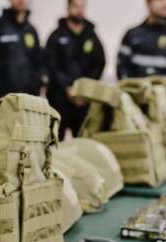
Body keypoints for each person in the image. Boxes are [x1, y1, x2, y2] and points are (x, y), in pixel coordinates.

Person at [45, 0, 105, 140]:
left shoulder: (92, 37)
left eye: (82, 7)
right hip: (59, 100)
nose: (79, 10)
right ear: (68, 8)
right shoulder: (56, 36)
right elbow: (51, 65)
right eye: (76, 6)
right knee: (55, 142)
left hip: (83, 102)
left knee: (83, 142)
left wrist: (84, 90)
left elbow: (99, 64)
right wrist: (67, 87)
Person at [0, 0, 43, 98]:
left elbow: (38, 63)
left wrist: (36, 88)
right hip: (0, 98)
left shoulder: (32, 30)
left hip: (27, 98)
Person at [117, 0, 166, 80]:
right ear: (148, 3)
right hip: (135, 86)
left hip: (165, 86)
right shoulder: (132, 34)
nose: (165, 4)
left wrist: (159, 83)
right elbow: (122, 68)